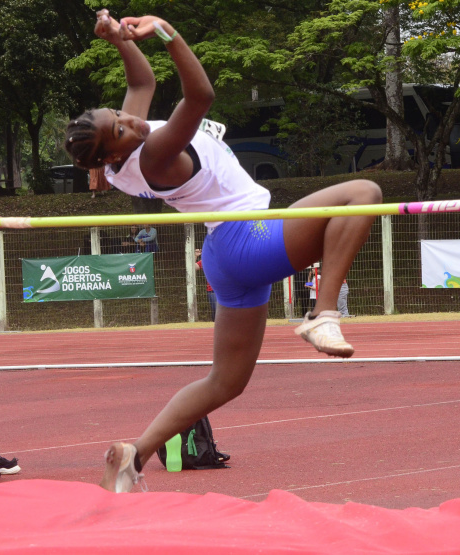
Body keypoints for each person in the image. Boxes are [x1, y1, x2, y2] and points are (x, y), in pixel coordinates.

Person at [63, 10, 381, 493]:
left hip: (226, 253)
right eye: (122, 127)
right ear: (112, 155)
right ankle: (323, 312)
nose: (132, 119)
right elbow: (201, 96)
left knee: (225, 382)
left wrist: (118, 39)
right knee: (364, 193)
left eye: (122, 114)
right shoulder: (154, 154)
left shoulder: (123, 153)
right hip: (245, 238)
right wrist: (167, 32)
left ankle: (135, 455)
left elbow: (142, 80)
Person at [194, 248, 216, 321]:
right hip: (212, 290)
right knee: (216, 310)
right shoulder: (206, 261)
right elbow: (193, 267)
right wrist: (195, 256)